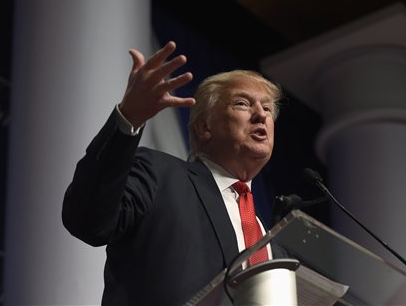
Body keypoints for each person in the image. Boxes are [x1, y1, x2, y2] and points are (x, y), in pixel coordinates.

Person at [62, 41, 284, 305]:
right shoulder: (160, 175)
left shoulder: (272, 245)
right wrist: (128, 117)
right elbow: (88, 220)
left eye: (268, 108)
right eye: (242, 104)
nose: (261, 115)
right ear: (204, 127)